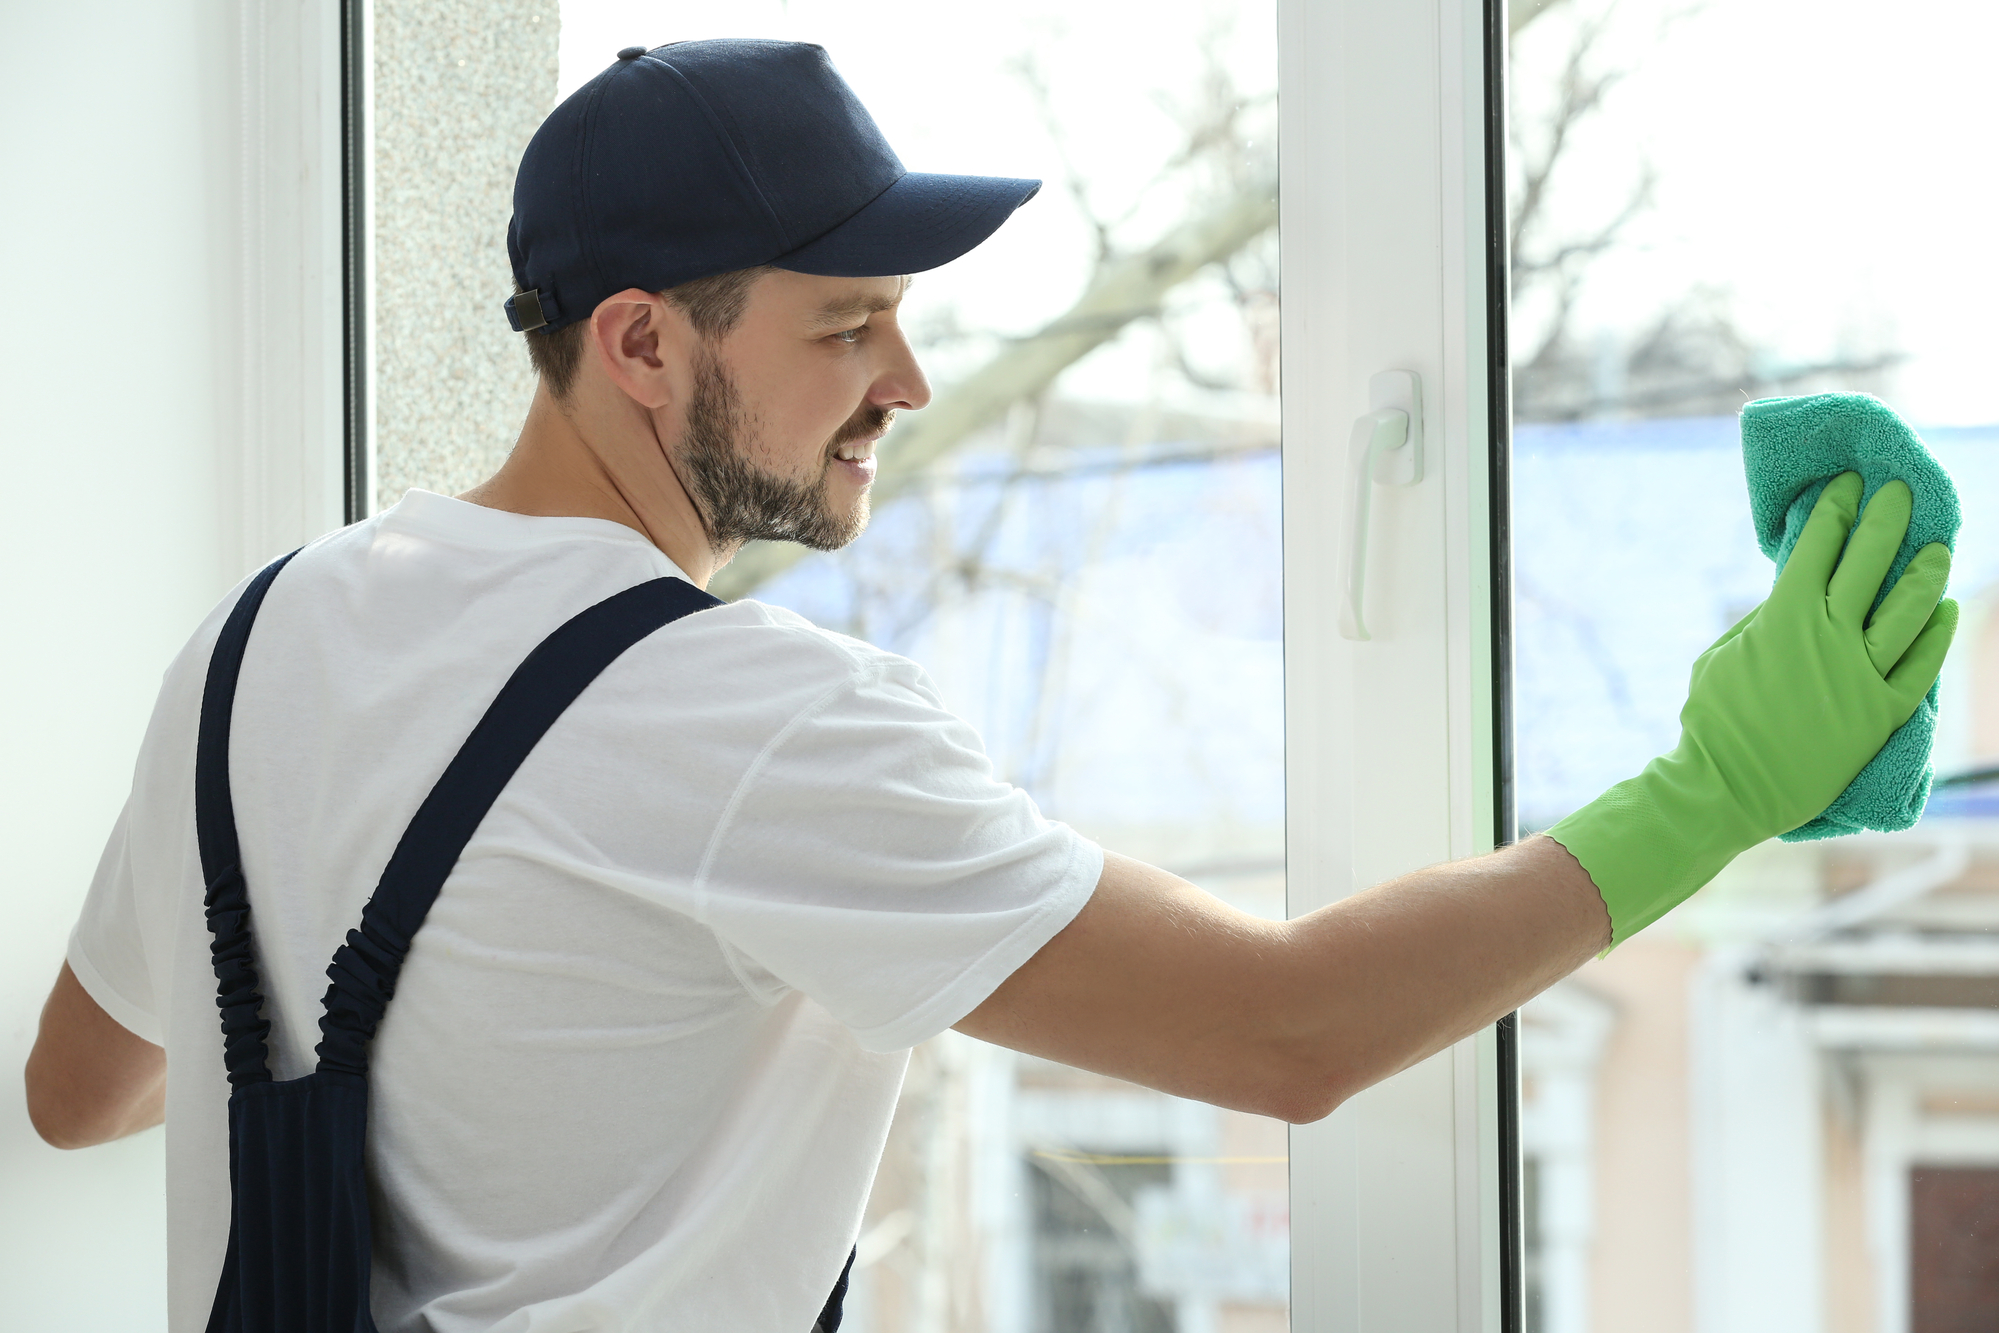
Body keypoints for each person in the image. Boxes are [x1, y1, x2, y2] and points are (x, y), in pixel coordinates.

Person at [22, 37, 1956, 1333]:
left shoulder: (257, 636)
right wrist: (1713, 786)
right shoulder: (745, 725)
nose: (906, 383)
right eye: (845, 324)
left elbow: (79, 1084)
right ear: (636, 342)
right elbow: (1287, 1034)